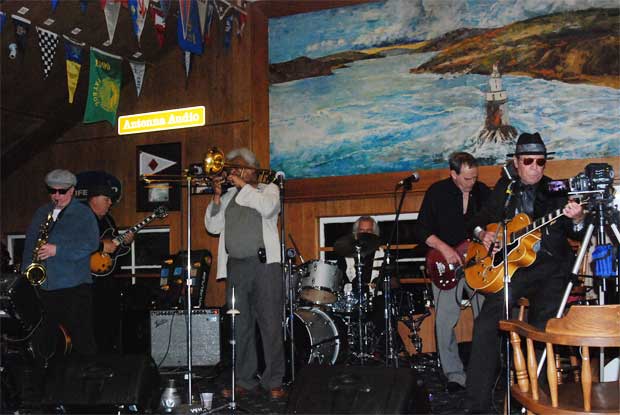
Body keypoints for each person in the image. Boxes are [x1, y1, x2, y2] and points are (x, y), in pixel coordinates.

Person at [464, 132, 586, 413]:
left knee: (541, 326)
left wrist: (577, 217)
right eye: (528, 160)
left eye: (540, 161)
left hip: (552, 268)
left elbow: (575, 231)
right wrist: (483, 234)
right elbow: (476, 221)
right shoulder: (506, 189)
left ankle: (538, 400)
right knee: (485, 324)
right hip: (515, 269)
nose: (535, 166)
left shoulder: (556, 189)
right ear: (516, 162)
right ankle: (476, 406)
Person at [204, 147, 286, 400]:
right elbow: (213, 226)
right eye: (230, 168)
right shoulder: (228, 197)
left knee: (271, 325)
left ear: (251, 169)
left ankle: (274, 380)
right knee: (241, 326)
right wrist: (217, 197)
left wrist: (241, 183)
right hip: (236, 267)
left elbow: (269, 209)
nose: (232, 171)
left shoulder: (268, 188)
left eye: (237, 166)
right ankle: (244, 380)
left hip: (264, 266)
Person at [414, 152, 490, 392]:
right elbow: (422, 230)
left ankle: (484, 372)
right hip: (445, 264)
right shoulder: (437, 192)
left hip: (477, 262)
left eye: (474, 177)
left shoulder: (482, 192)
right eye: (466, 178)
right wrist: (444, 248)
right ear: (453, 174)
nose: (471, 182)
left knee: (487, 317)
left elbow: (493, 222)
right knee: (446, 321)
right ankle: (454, 376)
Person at [22, 169, 100, 362]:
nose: (56, 195)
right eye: (52, 191)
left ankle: (91, 379)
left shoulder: (83, 213)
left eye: (62, 191)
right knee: (45, 337)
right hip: (46, 285)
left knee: (82, 337)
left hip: (74, 286)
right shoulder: (42, 212)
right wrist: (27, 270)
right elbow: (31, 242)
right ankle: (47, 380)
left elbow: (91, 244)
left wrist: (58, 250)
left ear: (72, 190)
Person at [86, 183, 133, 353]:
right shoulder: (81, 218)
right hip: (85, 281)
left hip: (106, 279)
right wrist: (100, 246)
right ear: (94, 199)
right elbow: (74, 245)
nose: (109, 203)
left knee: (109, 325)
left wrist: (125, 243)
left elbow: (113, 250)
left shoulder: (109, 220)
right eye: (106, 199)